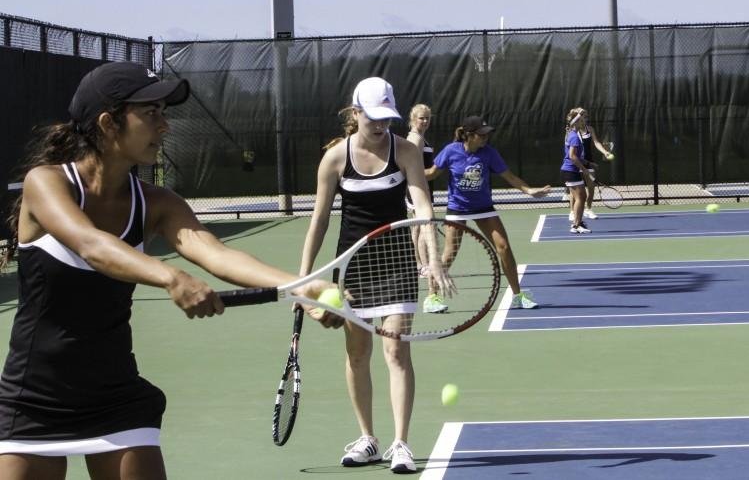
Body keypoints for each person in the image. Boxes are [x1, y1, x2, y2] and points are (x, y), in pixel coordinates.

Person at [0, 62, 336, 480]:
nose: (165, 126)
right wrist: (170, 276)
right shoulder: (47, 182)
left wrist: (304, 286)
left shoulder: (157, 202)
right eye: (151, 113)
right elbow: (91, 245)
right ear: (108, 123)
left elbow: (215, 253)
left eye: (164, 112)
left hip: (116, 397)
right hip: (33, 399)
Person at [299, 78, 451, 475]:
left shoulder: (405, 151)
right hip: (353, 268)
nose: (382, 125)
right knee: (357, 354)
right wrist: (304, 279)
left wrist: (432, 258)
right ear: (355, 113)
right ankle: (368, 438)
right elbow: (318, 222)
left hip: (397, 262)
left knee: (396, 351)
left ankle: (401, 443)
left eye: (388, 117)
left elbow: (421, 202)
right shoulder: (334, 159)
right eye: (374, 117)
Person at [425, 116, 549, 309]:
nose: (485, 138)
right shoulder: (451, 151)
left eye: (486, 134)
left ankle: (517, 295)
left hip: (484, 208)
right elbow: (431, 173)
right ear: (469, 135)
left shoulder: (489, 153)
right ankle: (432, 297)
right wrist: (405, 171)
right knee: (449, 254)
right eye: (481, 135)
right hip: (457, 209)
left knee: (504, 248)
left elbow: (510, 176)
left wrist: (529, 190)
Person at [404, 104, 445, 313]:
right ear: (412, 118)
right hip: (418, 189)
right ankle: (422, 265)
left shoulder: (419, 137)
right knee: (422, 227)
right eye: (421, 118)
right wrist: (423, 194)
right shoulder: (416, 139)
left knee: (418, 227)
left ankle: (418, 263)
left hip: (420, 188)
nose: (425, 122)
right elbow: (416, 170)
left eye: (428, 118)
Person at [565, 108, 613, 221]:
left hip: (589, 162)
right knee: (575, 190)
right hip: (576, 162)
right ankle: (572, 211)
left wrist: (605, 152)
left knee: (591, 187)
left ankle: (588, 209)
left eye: (586, 117)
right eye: (583, 116)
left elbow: (596, 142)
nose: (585, 119)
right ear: (578, 118)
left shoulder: (590, 129)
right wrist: (578, 113)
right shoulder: (572, 130)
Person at [562, 108, 596, 234]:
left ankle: (578, 222)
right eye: (580, 120)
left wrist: (589, 163)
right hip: (571, 170)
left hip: (570, 170)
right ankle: (576, 225)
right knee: (580, 198)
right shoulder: (574, 136)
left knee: (581, 196)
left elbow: (577, 156)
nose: (583, 122)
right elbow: (572, 156)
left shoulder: (572, 135)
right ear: (575, 123)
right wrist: (584, 170)